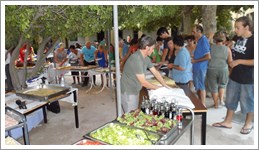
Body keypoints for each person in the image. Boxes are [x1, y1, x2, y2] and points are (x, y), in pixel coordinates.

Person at [212, 16, 254, 135]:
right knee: (230, 99)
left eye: (237, 27)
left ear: (246, 27)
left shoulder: (254, 40)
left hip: (248, 78)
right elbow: (233, 52)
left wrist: (239, 61)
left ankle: (248, 123)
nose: (235, 30)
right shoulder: (238, 38)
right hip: (234, 75)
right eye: (235, 27)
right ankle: (227, 121)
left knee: (248, 102)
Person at [121, 36, 170, 114]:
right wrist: (159, 88)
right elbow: (143, 82)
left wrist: (164, 85)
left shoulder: (146, 58)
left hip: (135, 89)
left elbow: (155, 72)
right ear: (147, 47)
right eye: (153, 48)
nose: (154, 51)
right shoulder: (136, 58)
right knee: (131, 115)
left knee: (134, 112)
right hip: (128, 91)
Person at [206, 32, 232, 108]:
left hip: (211, 69)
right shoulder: (227, 49)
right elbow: (230, 61)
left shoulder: (210, 47)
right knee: (222, 85)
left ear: (215, 39)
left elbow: (205, 44)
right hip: (223, 69)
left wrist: (210, 36)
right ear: (223, 40)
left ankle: (216, 104)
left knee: (213, 87)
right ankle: (221, 100)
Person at [191, 24, 211, 107]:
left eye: (193, 31)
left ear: (199, 32)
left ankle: (203, 104)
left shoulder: (204, 40)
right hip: (197, 67)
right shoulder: (199, 41)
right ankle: (200, 103)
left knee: (201, 86)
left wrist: (195, 60)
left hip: (201, 67)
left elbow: (208, 56)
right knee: (198, 86)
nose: (192, 33)